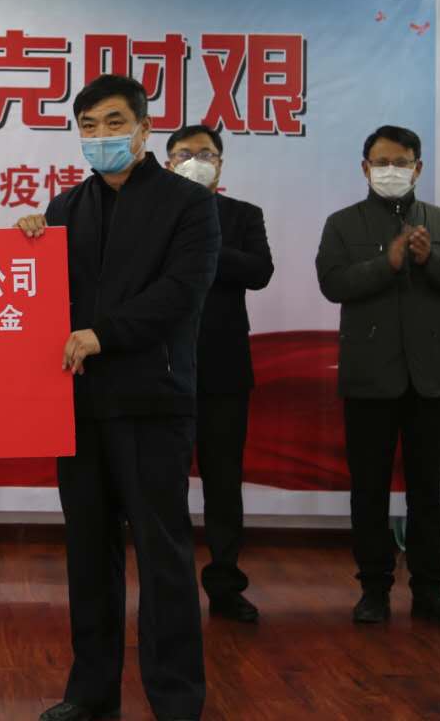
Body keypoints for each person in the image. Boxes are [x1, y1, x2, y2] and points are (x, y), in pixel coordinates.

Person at [19, 75, 217, 721]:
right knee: (88, 554)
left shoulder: (189, 203)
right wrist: (26, 242)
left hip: (153, 401)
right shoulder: (64, 208)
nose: (99, 136)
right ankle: (91, 693)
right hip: (76, 406)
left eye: (112, 122)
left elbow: (181, 292)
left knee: (163, 556)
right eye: (88, 125)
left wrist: (104, 334)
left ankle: (176, 698)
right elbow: (40, 296)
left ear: (143, 129)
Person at [315, 125, 440, 628]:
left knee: (428, 490)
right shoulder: (342, 223)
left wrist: (430, 260)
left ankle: (430, 590)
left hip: (431, 378)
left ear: (418, 168)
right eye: (382, 163)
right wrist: (386, 263)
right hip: (369, 377)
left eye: (401, 162)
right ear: (365, 168)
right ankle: (374, 589)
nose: (392, 171)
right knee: (368, 488)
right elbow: (332, 283)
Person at [165, 124, 273, 624]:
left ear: (220, 164)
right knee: (164, 484)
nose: (195, 161)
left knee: (224, 483)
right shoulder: (149, 215)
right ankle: (170, 586)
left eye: (205, 154)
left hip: (224, 370)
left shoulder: (243, 215)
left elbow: (259, 271)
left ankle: (226, 584)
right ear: (167, 163)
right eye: (184, 154)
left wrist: (203, 245)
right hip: (162, 367)